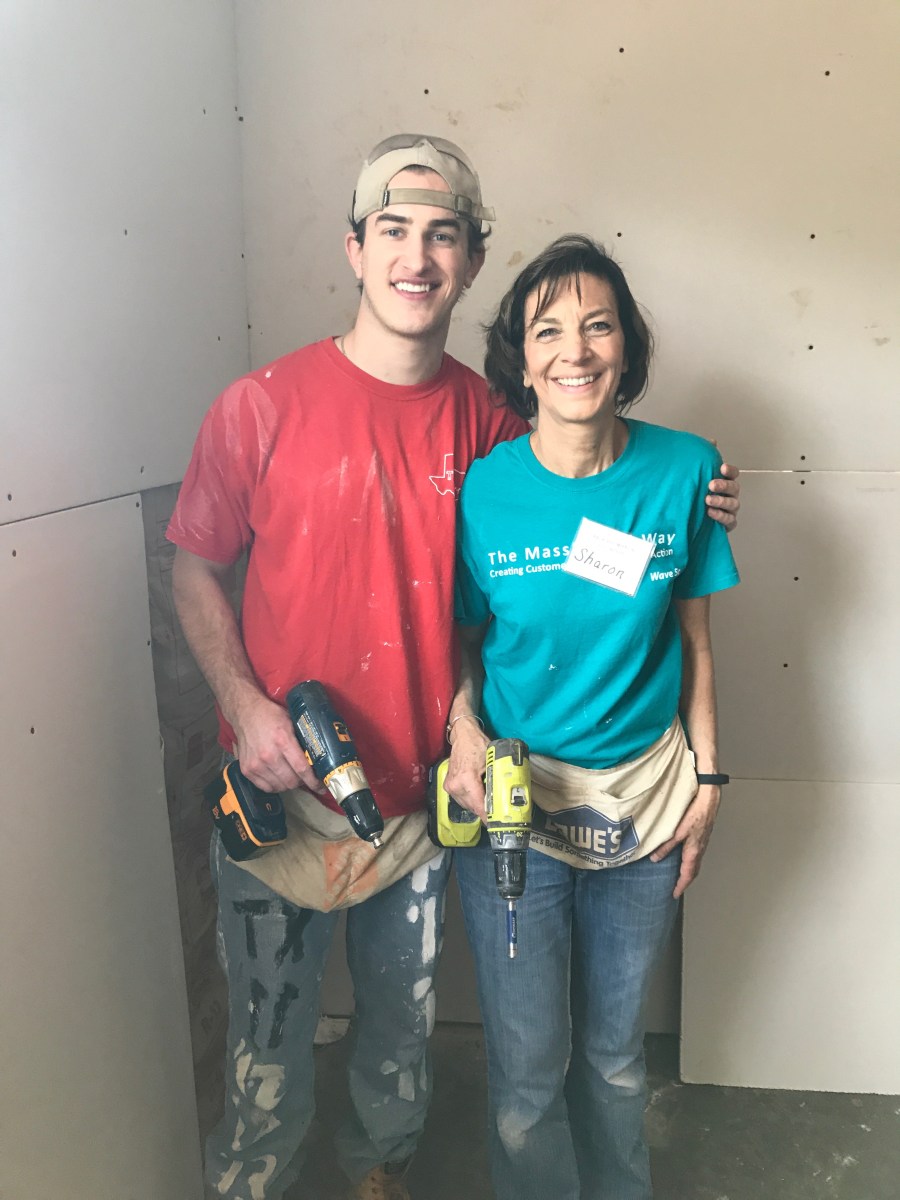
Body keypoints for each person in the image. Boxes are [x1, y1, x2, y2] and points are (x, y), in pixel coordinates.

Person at [167, 135, 741, 1200]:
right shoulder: (261, 406)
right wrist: (244, 705)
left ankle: (377, 1175)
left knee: (399, 1040)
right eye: (393, 230)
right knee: (267, 1049)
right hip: (278, 789)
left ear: (472, 260)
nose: (417, 256)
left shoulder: (488, 424)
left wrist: (699, 492)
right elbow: (195, 568)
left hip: (426, 806)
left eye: (444, 235)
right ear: (354, 247)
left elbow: (585, 468)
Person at [445, 235, 741, 1200]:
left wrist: (708, 781)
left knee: (614, 1061)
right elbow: (461, 642)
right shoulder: (486, 491)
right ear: (522, 360)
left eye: (598, 326)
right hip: (516, 814)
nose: (575, 350)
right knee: (528, 1073)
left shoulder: (687, 471)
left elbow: (696, 640)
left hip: (644, 811)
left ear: (627, 348)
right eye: (548, 331)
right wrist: (462, 731)